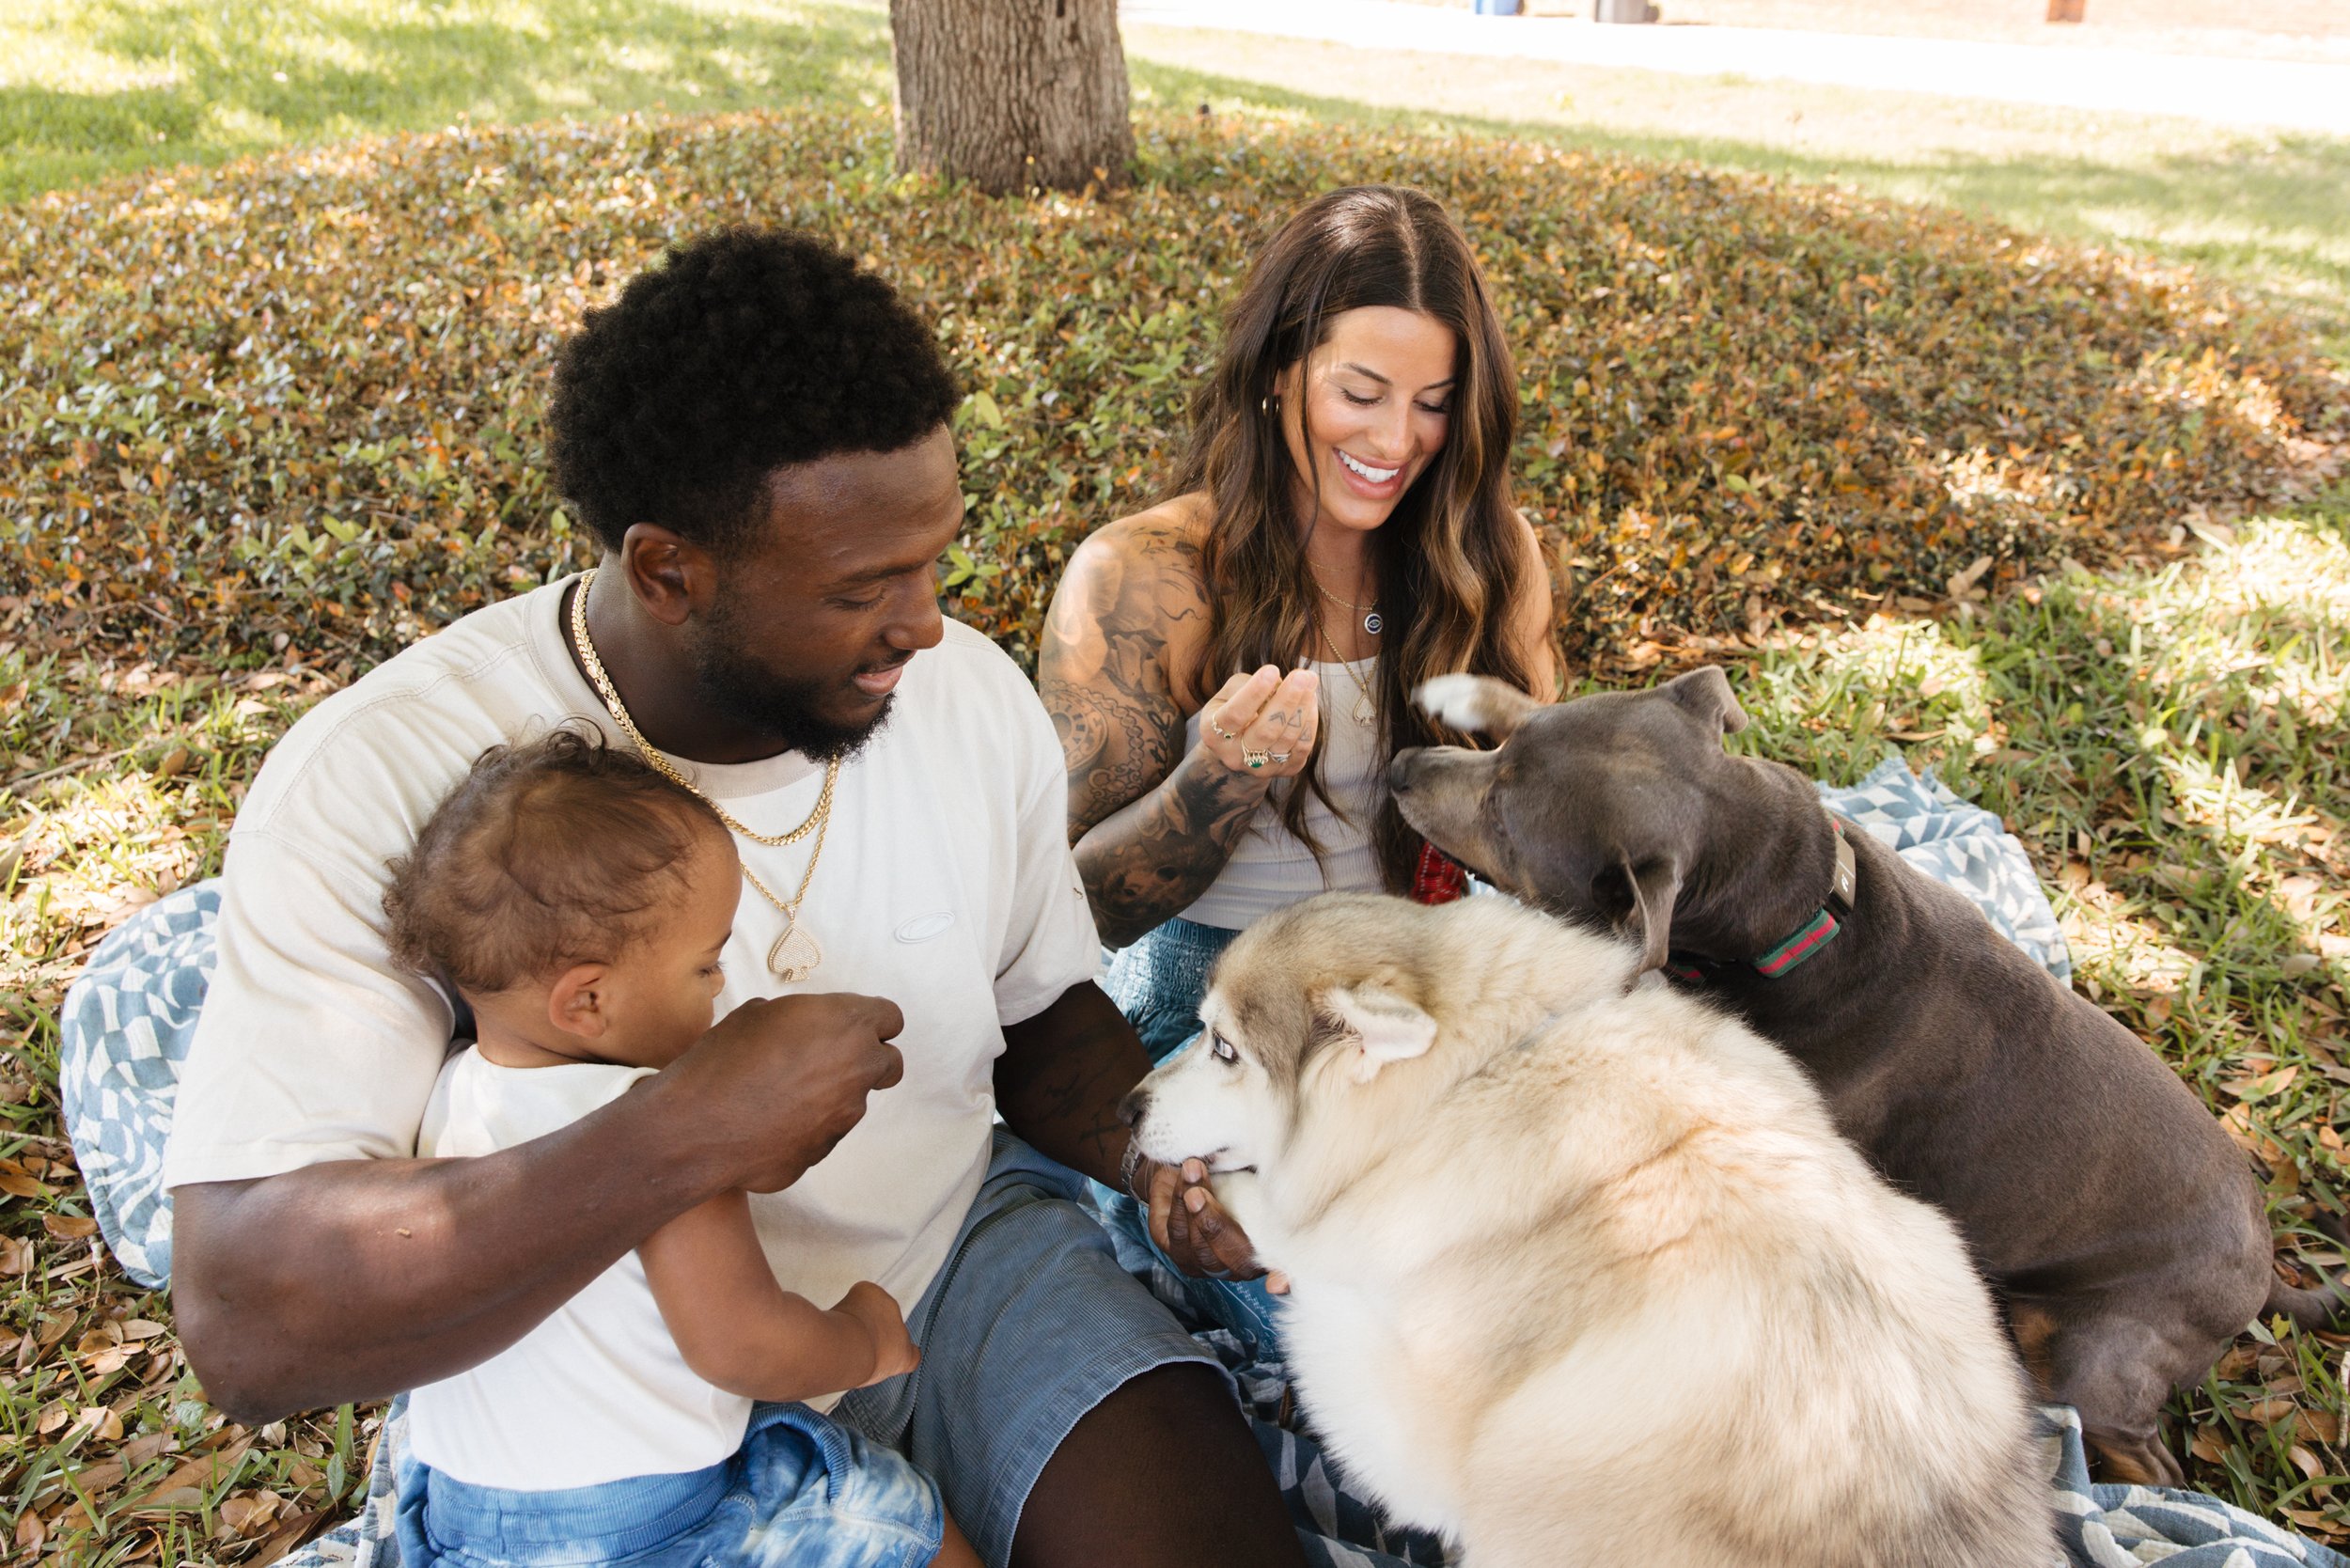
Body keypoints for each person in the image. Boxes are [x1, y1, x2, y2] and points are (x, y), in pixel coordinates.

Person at [160, 227, 1301, 1568]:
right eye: (863, 588)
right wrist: (684, 1133)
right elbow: (246, 1321)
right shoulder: (389, 770)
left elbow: (1044, 1020)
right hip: (593, 1396)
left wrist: (1156, 1160)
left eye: (933, 559)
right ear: (666, 571)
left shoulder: (964, 698)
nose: (926, 625)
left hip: (948, 1262)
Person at [1039, 183, 1559, 1353]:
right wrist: (1209, 788)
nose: (1394, 443)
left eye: (1432, 405)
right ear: (1280, 367)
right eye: (1359, 393)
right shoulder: (1142, 580)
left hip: (1422, 1000)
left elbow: (1540, 838)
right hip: (1219, 1009)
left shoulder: (1486, 556)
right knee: (1410, 1332)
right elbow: (1067, 914)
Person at [381, 730, 979, 1568]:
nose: (722, 990)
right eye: (707, 968)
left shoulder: (443, 1098)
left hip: (458, 1521)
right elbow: (741, 1345)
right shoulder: (661, 1132)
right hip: (653, 1525)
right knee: (904, 1522)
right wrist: (864, 1337)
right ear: (586, 1001)